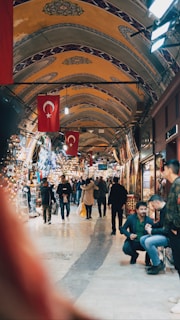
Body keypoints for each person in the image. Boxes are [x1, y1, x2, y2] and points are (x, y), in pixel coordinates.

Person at [162, 159, 180, 314]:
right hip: (174, 232)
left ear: (169, 169)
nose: (163, 172)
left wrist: (175, 227)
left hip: (178, 232)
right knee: (178, 265)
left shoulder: (179, 184)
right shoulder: (174, 185)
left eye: (164, 169)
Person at [140, 194, 169, 274]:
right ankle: (157, 261)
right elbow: (161, 224)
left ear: (157, 202)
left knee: (148, 242)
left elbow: (167, 230)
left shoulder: (168, 211)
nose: (153, 208)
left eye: (153, 205)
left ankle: (157, 265)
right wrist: (151, 225)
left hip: (169, 237)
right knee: (142, 239)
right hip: (164, 234)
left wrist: (152, 231)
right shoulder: (163, 210)